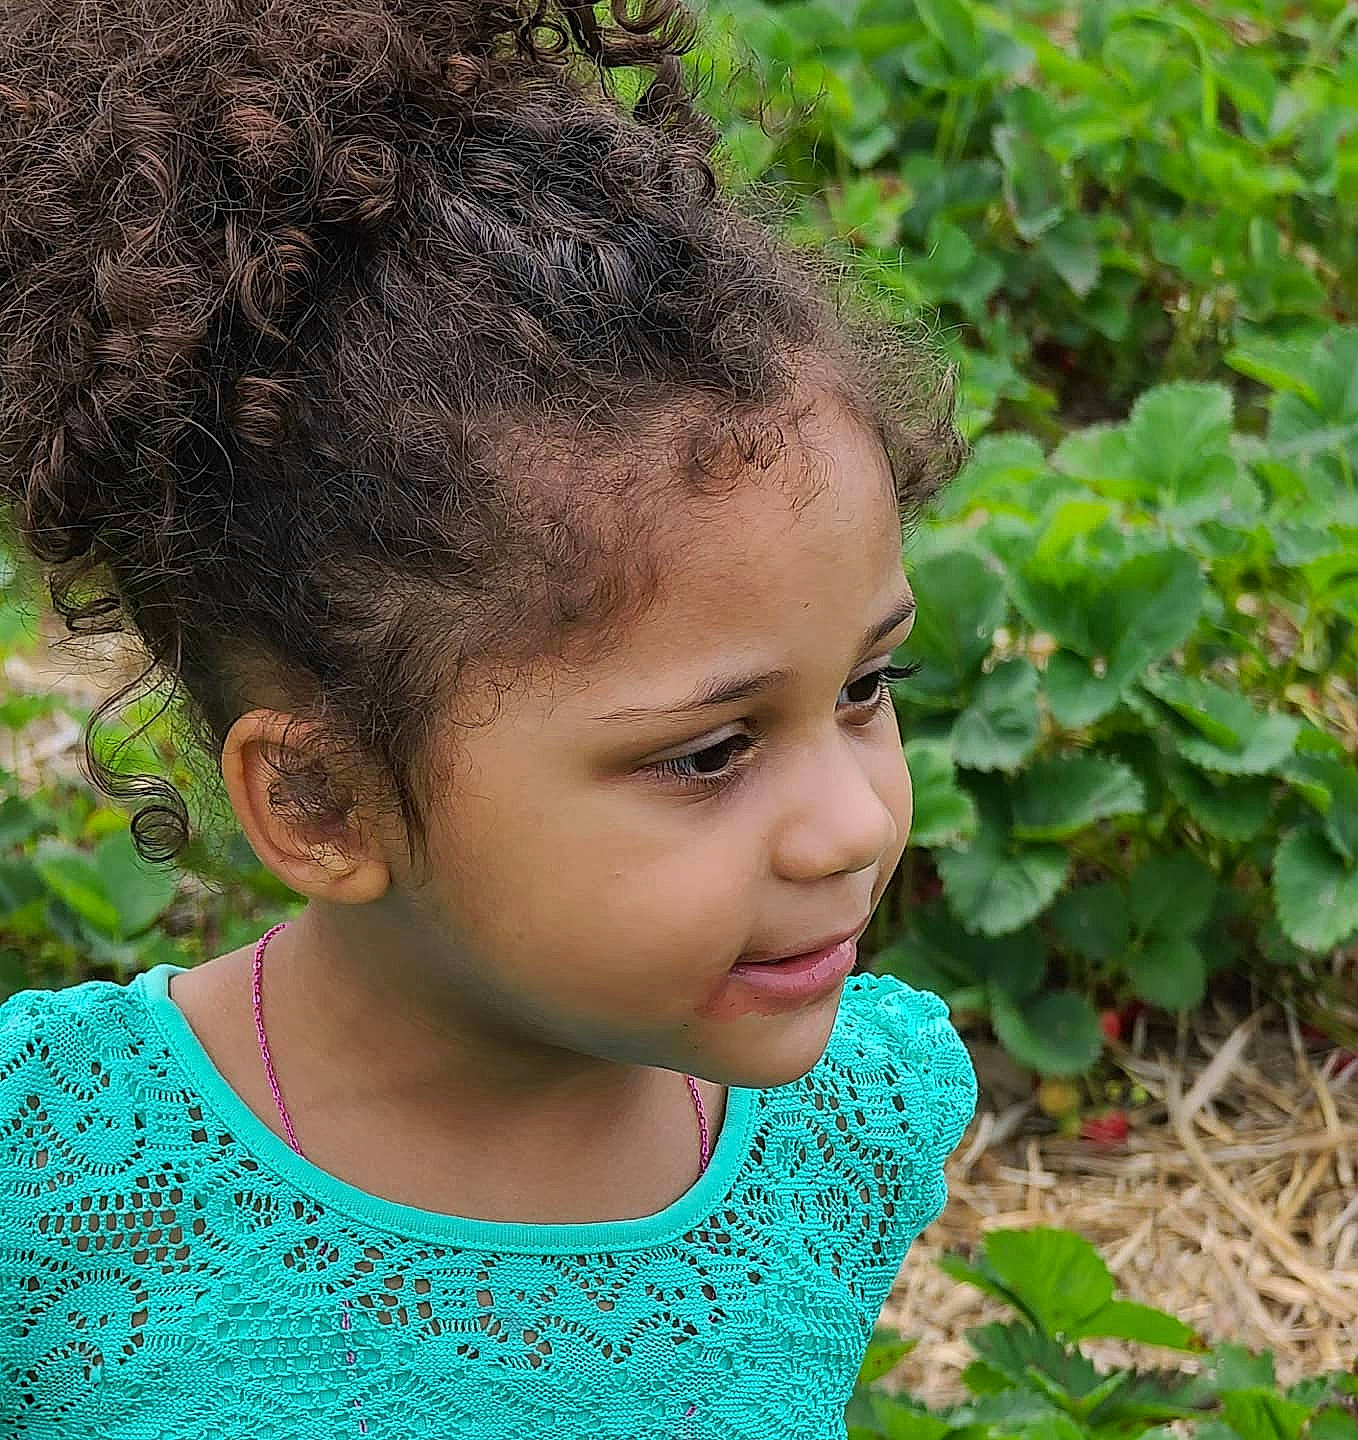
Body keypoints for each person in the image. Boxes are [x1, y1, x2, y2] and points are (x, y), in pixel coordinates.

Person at [0, 0, 979, 1433]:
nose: (851, 826)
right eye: (707, 753)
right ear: (325, 801)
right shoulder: (56, 1187)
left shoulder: (851, 1128)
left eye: (865, 688)